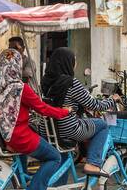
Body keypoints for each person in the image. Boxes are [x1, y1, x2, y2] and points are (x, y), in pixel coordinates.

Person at [0, 47, 70, 190]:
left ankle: (21, 180)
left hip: (3, 135)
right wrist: (64, 112)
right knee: (54, 156)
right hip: (19, 136)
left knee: (30, 144)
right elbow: (43, 109)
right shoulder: (20, 88)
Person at [41, 47, 116, 178]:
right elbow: (94, 105)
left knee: (63, 156)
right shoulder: (70, 82)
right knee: (102, 125)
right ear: (67, 62)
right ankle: (93, 163)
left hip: (49, 128)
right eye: (74, 60)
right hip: (68, 128)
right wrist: (112, 100)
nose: (76, 64)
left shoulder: (45, 81)